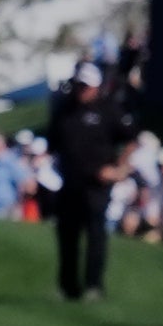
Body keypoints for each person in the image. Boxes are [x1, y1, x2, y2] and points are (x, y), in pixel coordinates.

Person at [47, 68, 130, 302]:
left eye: (86, 86)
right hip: (70, 181)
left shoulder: (108, 110)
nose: (81, 90)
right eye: (79, 85)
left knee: (95, 234)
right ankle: (68, 287)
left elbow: (131, 139)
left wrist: (119, 168)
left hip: (96, 185)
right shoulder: (64, 110)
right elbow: (53, 143)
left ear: (96, 87)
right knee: (67, 235)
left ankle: (93, 285)